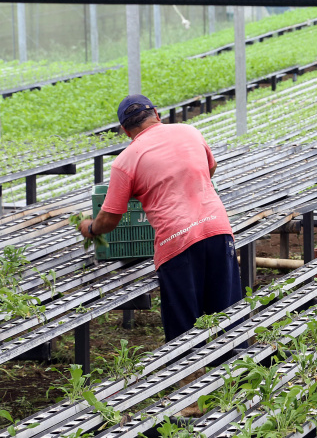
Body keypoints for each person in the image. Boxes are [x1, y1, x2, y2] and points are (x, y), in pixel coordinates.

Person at [78, 94, 242, 342]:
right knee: (229, 318)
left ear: (125, 130)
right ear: (157, 113)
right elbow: (209, 169)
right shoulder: (190, 132)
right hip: (217, 229)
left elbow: (110, 218)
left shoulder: (126, 161)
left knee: (184, 331)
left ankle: (190, 376)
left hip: (177, 242)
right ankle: (238, 374)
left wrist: (90, 227)